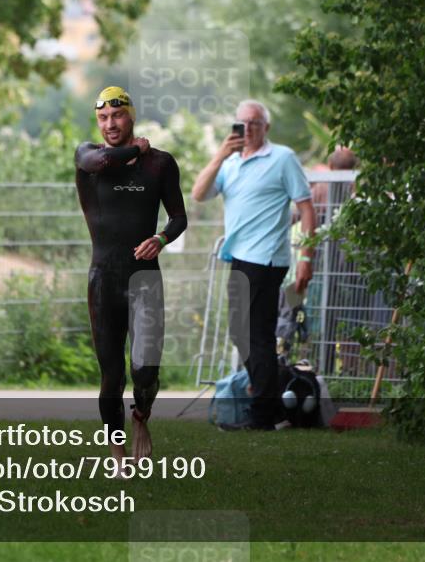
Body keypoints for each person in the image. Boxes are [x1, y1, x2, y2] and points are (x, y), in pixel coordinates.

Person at [74, 86, 187, 466]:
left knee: (145, 369)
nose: (110, 124)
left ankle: (142, 414)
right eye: (103, 117)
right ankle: (117, 452)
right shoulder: (87, 156)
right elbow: (102, 163)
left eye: (117, 116)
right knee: (111, 372)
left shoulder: (160, 165)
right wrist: (136, 149)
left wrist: (161, 238)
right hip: (103, 280)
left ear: (131, 116)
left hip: (145, 279)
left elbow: (179, 217)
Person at [191, 100, 315, 431]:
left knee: (256, 335)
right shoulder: (229, 164)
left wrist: (306, 257)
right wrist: (219, 155)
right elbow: (198, 193)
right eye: (242, 123)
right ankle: (270, 403)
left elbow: (306, 208)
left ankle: (263, 415)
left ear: (266, 128)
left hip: (267, 259)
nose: (248, 128)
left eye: (255, 123)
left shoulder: (283, 158)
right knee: (240, 333)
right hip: (239, 257)